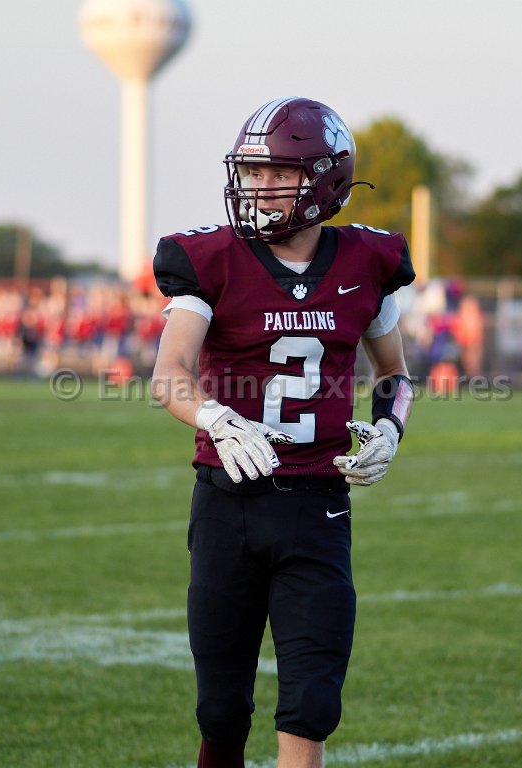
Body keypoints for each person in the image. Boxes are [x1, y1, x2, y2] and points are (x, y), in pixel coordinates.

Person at [150, 97, 415, 768]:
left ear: (325, 179)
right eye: (253, 172)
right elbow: (169, 373)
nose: (260, 186)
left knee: (312, 703)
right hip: (228, 501)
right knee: (221, 711)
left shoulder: (367, 261)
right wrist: (215, 417)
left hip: (317, 506)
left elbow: (395, 373)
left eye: (278, 173)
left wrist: (390, 428)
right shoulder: (209, 258)